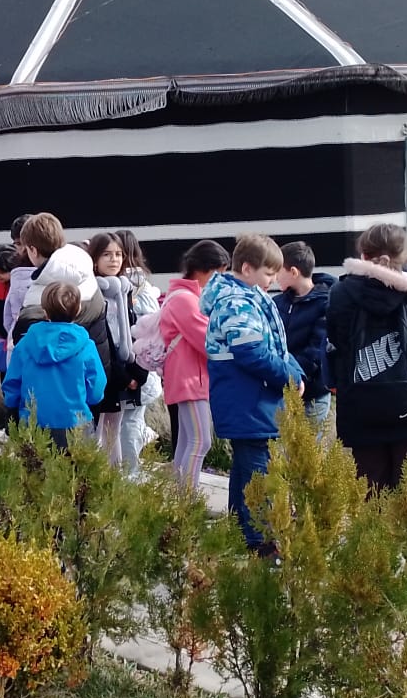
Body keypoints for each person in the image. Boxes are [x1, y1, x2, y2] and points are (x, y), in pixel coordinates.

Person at [326, 223, 407, 492]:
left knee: (373, 494)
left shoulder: (340, 294)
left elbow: (337, 340)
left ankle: (373, 536)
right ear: (403, 256)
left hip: (360, 408)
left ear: (363, 254)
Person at [203, 234, 303, 552]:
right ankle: (260, 543)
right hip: (248, 402)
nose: (273, 281)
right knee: (257, 474)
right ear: (247, 268)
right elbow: (251, 352)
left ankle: (240, 535)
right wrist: (288, 378)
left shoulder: (246, 297)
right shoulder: (237, 302)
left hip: (249, 401)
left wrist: (295, 371)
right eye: (268, 274)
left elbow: (274, 346)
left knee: (247, 469)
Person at [2, 279, 106, 449]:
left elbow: (12, 383)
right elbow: (97, 386)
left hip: (33, 421)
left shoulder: (25, 344)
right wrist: (88, 401)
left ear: (44, 311)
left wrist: (12, 410)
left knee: (35, 473)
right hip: (76, 421)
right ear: (79, 309)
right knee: (76, 474)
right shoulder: (86, 346)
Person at [161, 240, 228, 484]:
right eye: (218, 273)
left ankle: (180, 500)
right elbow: (207, 340)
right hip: (190, 378)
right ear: (202, 268)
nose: (220, 279)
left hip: (187, 377)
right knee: (201, 441)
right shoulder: (185, 300)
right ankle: (187, 501)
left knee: (188, 441)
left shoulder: (183, 295)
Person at [87, 232, 142, 457]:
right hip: (104, 370)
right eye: (107, 254)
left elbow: (132, 330)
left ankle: (115, 482)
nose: (114, 260)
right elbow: (102, 337)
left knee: (114, 429)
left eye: (118, 254)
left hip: (123, 368)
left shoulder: (123, 289)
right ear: (94, 259)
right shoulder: (93, 291)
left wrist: (137, 371)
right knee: (97, 433)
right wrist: (123, 376)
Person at [274, 241, 336, 434]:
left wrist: (294, 376)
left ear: (293, 272)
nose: (274, 277)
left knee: (308, 452)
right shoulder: (277, 303)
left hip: (312, 393)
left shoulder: (326, 303)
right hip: (283, 390)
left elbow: (316, 351)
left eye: (278, 271)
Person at [113, 229, 163, 474]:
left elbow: (150, 328)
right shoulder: (142, 285)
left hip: (135, 368)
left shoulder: (133, 287)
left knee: (128, 422)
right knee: (128, 422)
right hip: (139, 368)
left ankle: (130, 473)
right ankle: (129, 469)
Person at [4, 212, 61, 341]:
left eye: (25, 244)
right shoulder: (68, 270)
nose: (24, 250)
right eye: (18, 244)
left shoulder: (18, 276)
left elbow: (8, 319)